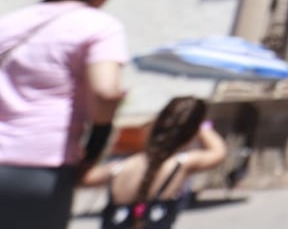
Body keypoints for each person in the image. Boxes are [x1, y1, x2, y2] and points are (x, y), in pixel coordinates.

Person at [0, 0, 129, 229]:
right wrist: (94, 150)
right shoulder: (99, 25)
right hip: (42, 164)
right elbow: (105, 93)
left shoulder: (10, 22)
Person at [79, 96, 227, 229]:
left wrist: (98, 141)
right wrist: (203, 127)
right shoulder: (180, 164)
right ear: (191, 134)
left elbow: (84, 178)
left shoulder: (119, 167)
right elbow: (218, 152)